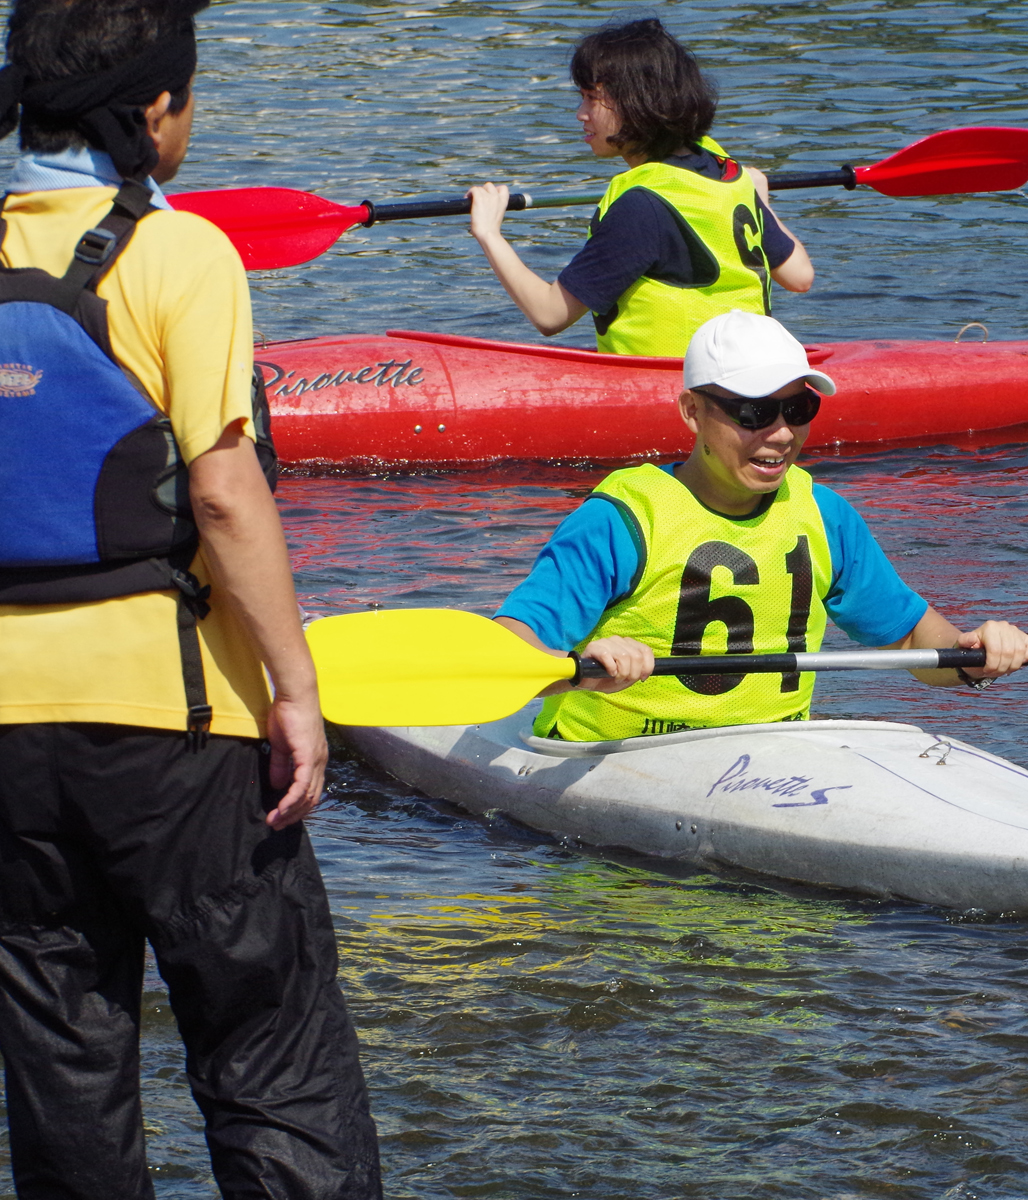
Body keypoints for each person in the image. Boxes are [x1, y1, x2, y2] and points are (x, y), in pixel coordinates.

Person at [0, 1, 382, 1196]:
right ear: (154, 109)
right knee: (267, 1040)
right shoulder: (180, 252)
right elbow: (223, 497)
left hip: (7, 750)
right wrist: (297, 689)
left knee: (62, 1057)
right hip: (177, 725)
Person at [496, 309, 1028, 741]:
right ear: (692, 411)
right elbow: (508, 649)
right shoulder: (620, 520)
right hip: (612, 759)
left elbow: (915, 642)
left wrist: (976, 654)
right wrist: (576, 663)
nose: (780, 434)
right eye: (753, 413)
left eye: (797, 409)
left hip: (769, 760)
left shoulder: (825, 516)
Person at [465, 17, 814, 357]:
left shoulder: (642, 205)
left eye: (591, 98)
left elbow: (549, 314)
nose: (580, 113)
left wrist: (489, 233)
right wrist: (758, 200)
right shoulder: (721, 171)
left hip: (682, 389)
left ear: (637, 101)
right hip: (753, 369)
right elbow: (799, 275)